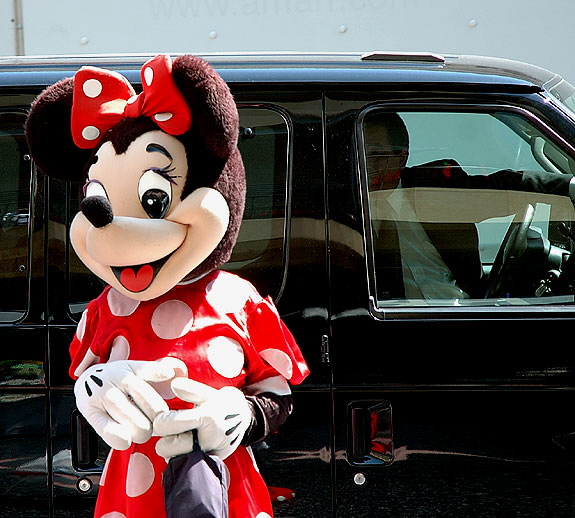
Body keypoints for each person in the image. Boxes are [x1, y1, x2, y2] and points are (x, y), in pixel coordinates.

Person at [364, 111, 575, 300]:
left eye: (375, 155)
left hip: (462, 309)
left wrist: (569, 186)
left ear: (401, 158)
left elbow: (505, 187)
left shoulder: (434, 187)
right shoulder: (343, 205)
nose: (366, 165)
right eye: (359, 156)